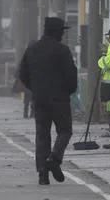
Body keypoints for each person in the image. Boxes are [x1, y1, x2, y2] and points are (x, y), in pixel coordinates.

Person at [17, 17, 78, 185]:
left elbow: (22, 73)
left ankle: (42, 173)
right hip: (60, 99)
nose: (63, 35)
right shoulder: (62, 50)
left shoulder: (32, 49)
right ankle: (54, 158)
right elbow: (71, 75)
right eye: (62, 32)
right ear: (57, 32)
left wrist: (35, 88)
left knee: (42, 135)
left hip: (40, 99)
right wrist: (68, 90)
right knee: (65, 131)